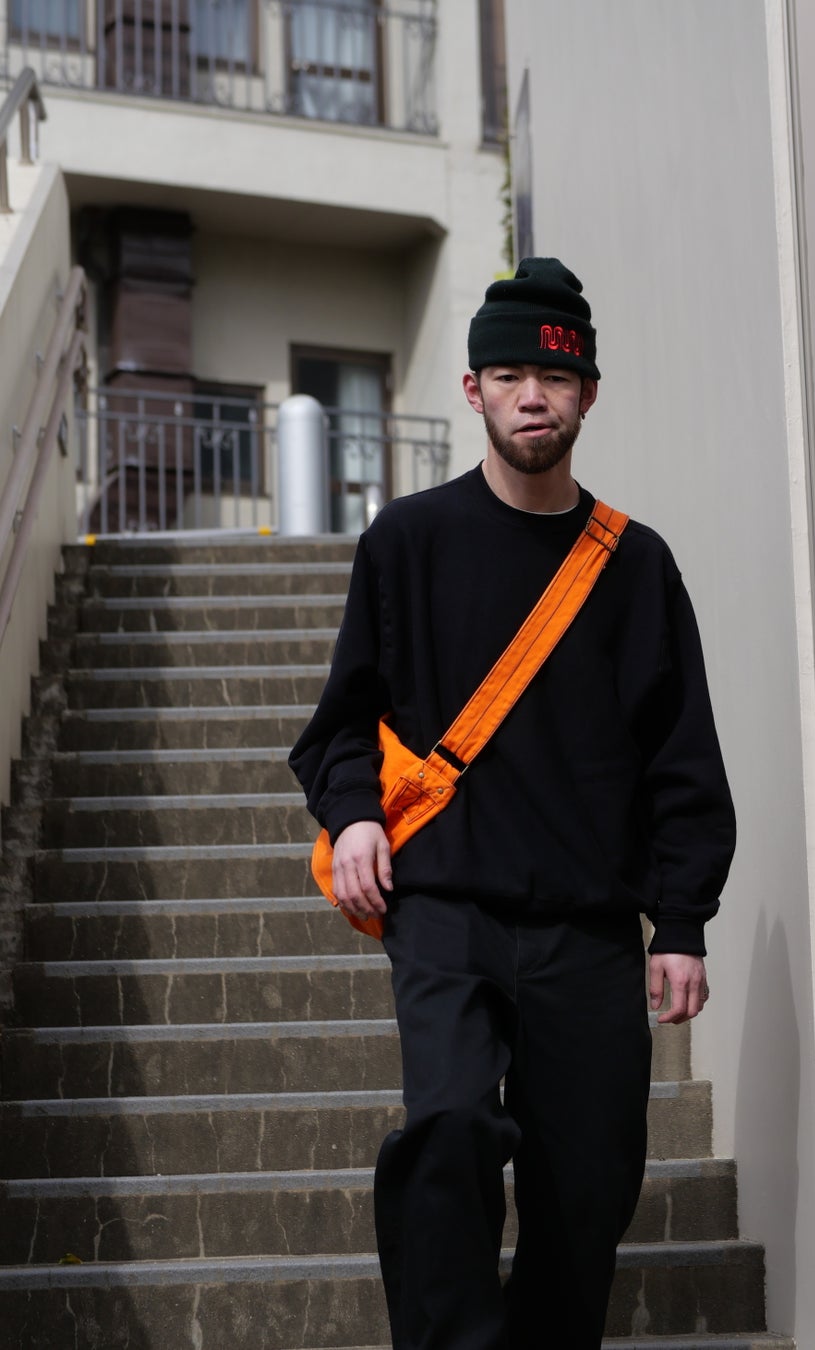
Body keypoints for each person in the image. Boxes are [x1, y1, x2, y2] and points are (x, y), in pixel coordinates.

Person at [289, 257, 735, 1350]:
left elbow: (681, 757)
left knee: (587, 1185)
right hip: (445, 907)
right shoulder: (407, 541)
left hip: (588, 926)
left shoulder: (635, 566)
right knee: (446, 1127)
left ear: (588, 394)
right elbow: (340, 723)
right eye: (507, 376)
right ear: (472, 389)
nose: (532, 396)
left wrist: (680, 923)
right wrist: (354, 814)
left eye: (554, 377)